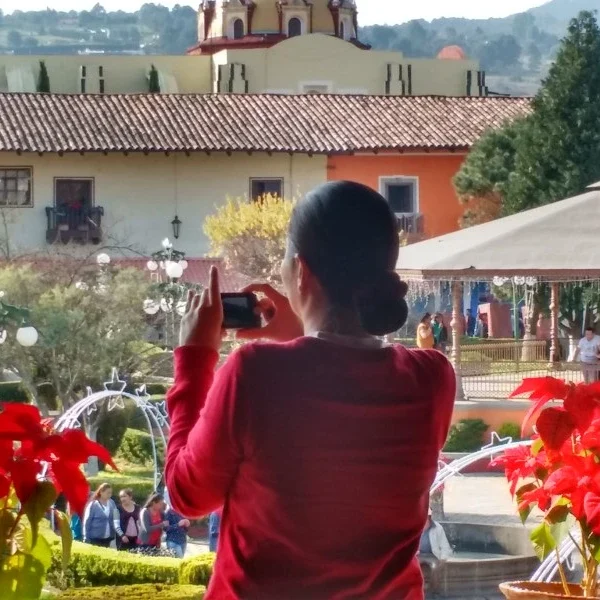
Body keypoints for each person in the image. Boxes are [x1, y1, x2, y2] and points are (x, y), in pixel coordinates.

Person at [165, 181, 456, 599]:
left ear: (300, 270)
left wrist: (194, 358)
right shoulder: (432, 379)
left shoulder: (255, 373)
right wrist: (300, 330)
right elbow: (344, 376)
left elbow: (187, 494)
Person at [418, 510, 453, 594]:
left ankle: (432, 592)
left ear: (429, 517)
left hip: (432, 556)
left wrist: (443, 559)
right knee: (414, 568)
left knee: (435, 569)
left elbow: (445, 546)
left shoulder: (437, 528)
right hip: (417, 556)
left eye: (427, 517)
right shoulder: (414, 526)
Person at [83, 483, 118, 547]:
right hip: (95, 537)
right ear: (101, 492)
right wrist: (86, 537)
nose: (109, 495)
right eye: (108, 493)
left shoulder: (112, 503)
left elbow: (116, 517)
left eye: (110, 493)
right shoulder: (93, 505)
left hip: (108, 537)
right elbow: (87, 522)